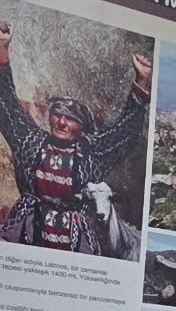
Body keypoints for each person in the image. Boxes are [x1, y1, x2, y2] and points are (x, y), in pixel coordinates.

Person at [0, 20, 151, 257]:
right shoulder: (29, 140)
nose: (62, 122)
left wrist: (140, 81)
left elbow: (126, 133)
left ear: (81, 126)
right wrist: (2, 49)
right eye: (57, 115)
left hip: (75, 238)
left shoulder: (93, 152)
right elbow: (6, 103)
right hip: (26, 229)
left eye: (70, 119)